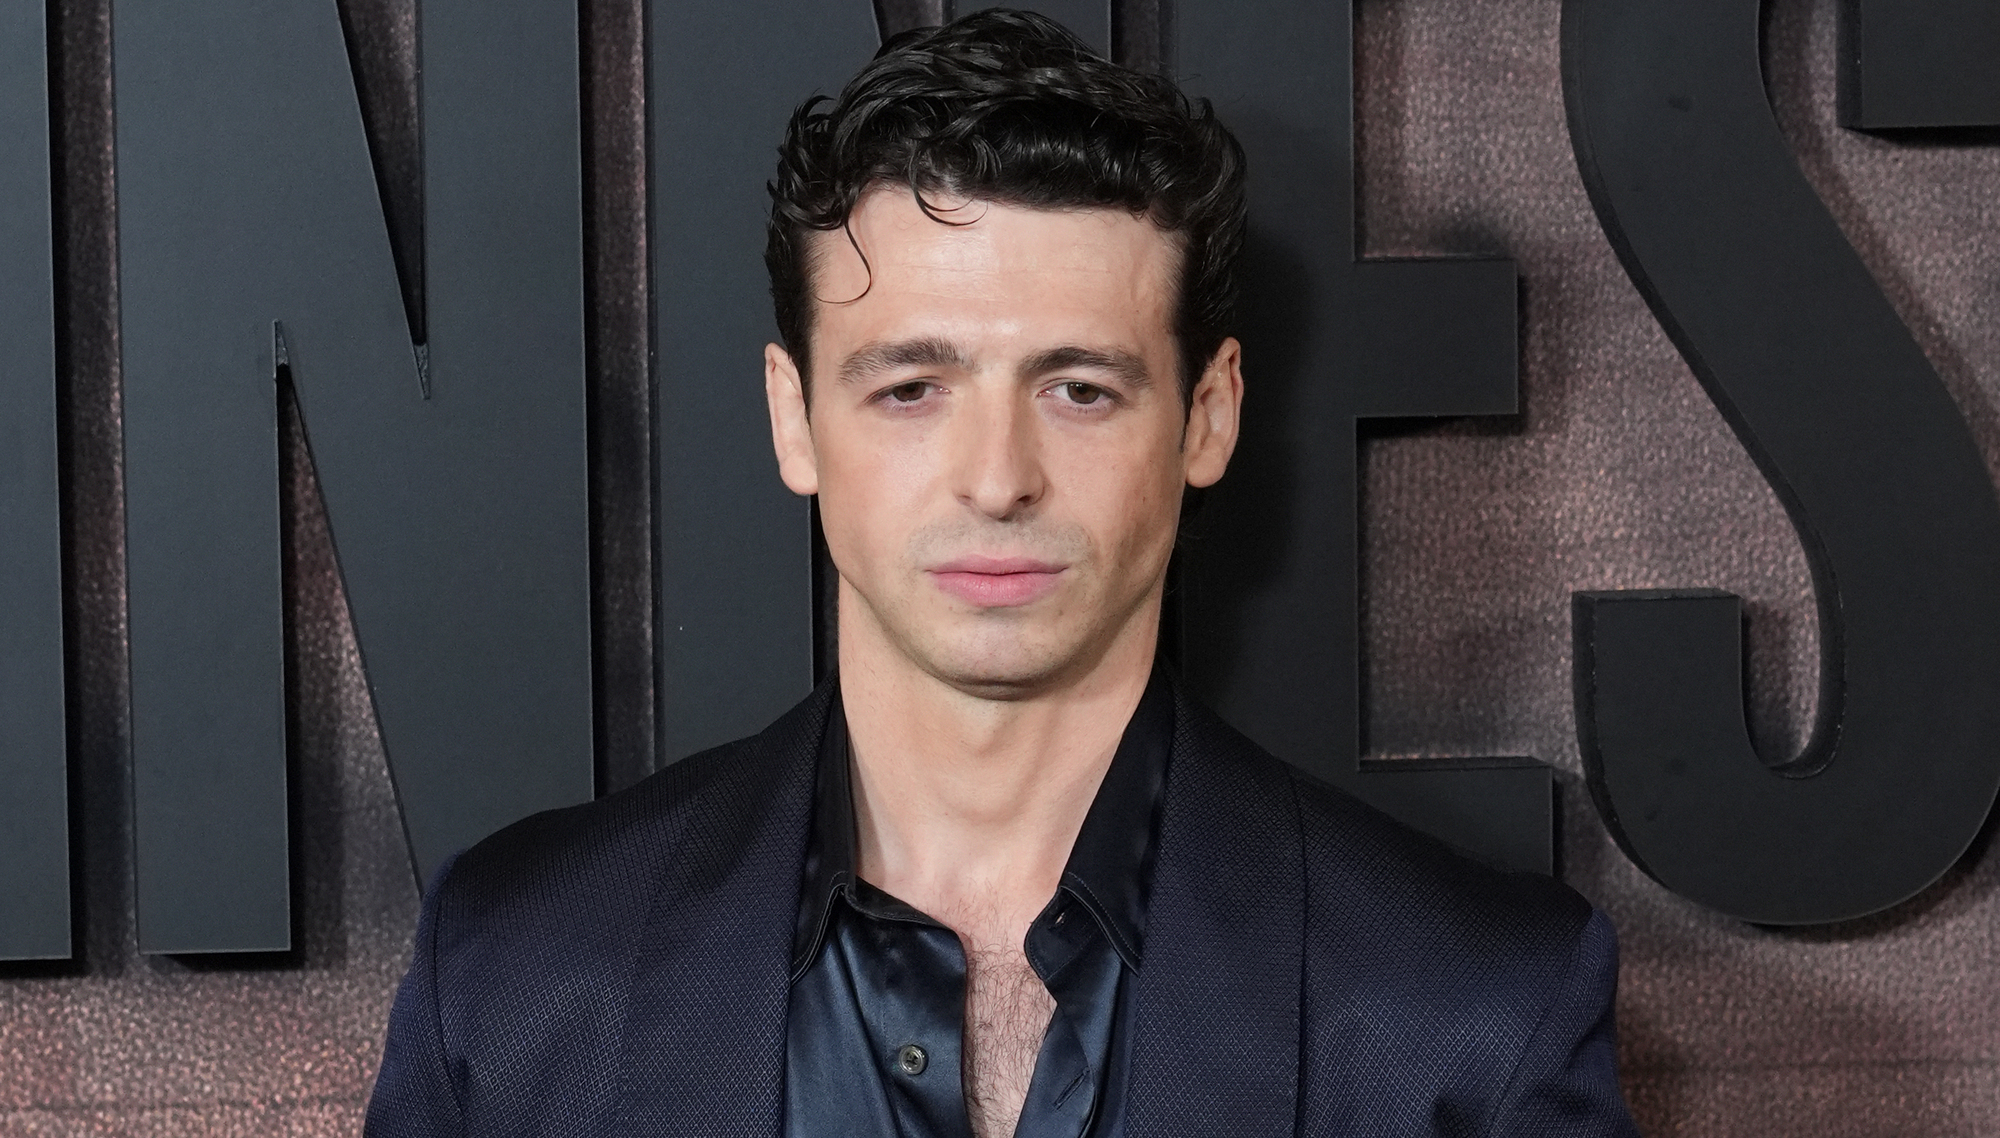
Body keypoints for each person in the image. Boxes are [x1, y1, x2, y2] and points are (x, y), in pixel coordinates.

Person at [365, 10, 1637, 1136]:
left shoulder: (1472, 1017)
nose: (996, 477)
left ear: (1206, 417)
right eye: (911, 388)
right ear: (793, 419)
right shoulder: (517, 975)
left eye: (1078, 389)